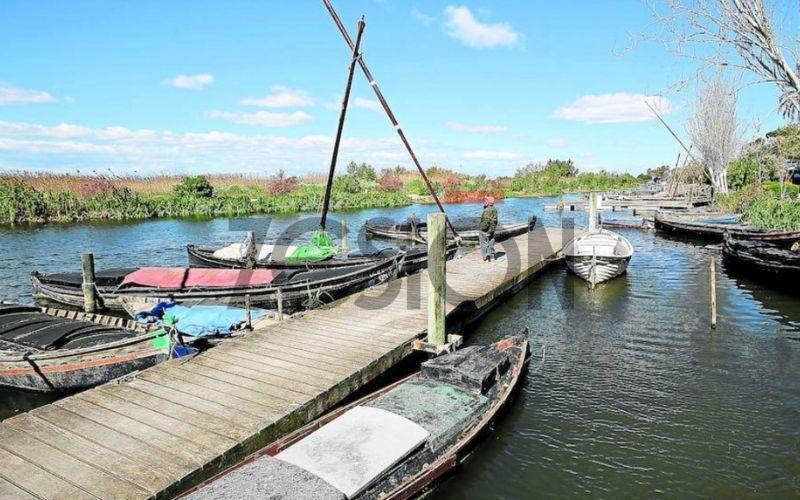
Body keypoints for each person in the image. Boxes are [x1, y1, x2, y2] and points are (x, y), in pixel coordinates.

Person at [479, 196, 498, 261]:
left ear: (489, 202)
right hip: (492, 229)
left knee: (484, 243)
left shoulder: (487, 210)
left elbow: (486, 221)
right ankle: (492, 255)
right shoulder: (494, 209)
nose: (484, 201)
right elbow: (493, 220)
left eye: (486, 200)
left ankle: (486, 257)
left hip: (486, 229)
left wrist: (482, 229)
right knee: (491, 241)